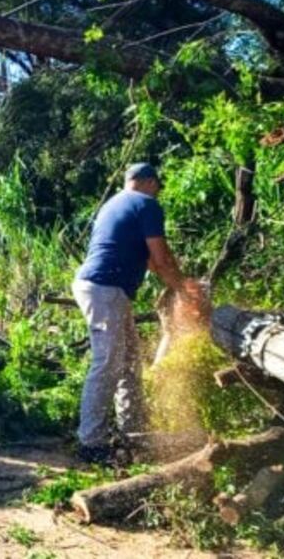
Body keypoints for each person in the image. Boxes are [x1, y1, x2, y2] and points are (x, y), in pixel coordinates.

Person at [71, 163, 197, 464]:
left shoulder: (112, 205)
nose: (158, 192)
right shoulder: (147, 204)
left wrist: (177, 280)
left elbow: (153, 261)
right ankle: (91, 441)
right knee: (109, 361)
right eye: (158, 186)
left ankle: (133, 430)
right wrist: (184, 290)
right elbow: (161, 257)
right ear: (150, 183)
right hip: (105, 288)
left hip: (104, 288)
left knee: (128, 360)